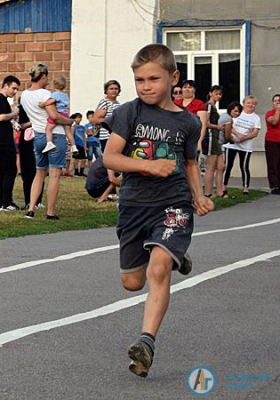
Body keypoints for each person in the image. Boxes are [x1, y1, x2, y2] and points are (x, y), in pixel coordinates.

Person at [103, 43, 214, 378]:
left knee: (158, 270)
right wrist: (149, 166)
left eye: (153, 78)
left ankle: (146, 342)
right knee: (132, 282)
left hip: (174, 204)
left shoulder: (189, 122)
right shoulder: (128, 112)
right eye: (139, 80)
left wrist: (198, 195)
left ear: (173, 77)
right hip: (135, 206)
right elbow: (110, 158)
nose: (146, 86)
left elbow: (191, 163)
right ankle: (173, 253)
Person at [20, 63, 74, 220]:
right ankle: (50, 212)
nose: (48, 80)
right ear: (43, 77)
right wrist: (68, 121)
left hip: (38, 135)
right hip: (55, 135)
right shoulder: (44, 94)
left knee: (39, 173)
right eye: (47, 77)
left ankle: (31, 209)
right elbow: (55, 116)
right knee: (55, 174)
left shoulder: (24, 95)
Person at [0, 75, 21, 211]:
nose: (15, 92)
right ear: (5, 86)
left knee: (0, 171)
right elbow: (1, 117)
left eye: (17, 89)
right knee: (9, 170)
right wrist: (15, 113)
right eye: (13, 88)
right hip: (2, 142)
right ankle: (6, 202)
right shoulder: (0, 99)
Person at [223, 96, 261, 194]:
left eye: (253, 103)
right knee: (227, 165)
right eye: (248, 103)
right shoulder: (237, 113)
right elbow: (229, 126)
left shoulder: (256, 118)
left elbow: (255, 132)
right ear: (244, 104)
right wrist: (238, 135)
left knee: (244, 166)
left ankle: (245, 187)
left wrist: (243, 138)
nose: (250, 105)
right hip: (232, 143)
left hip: (246, 146)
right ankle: (223, 185)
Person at [17, 101, 43, 209]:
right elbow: (22, 125)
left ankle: (39, 200)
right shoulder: (23, 109)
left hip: (39, 140)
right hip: (27, 143)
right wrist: (34, 121)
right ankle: (29, 200)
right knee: (28, 174)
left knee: (40, 171)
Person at [41, 75, 76, 155]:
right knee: (68, 131)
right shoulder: (65, 95)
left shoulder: (55, 94)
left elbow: (52, 101)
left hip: (58, 114)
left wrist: (43, 104)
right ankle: (74, 146)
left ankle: (49, 143)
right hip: (65, 114)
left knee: (48, 129)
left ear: (54, 85)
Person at [202, 86, 225, 197]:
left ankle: (220, 191)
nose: (218, 96)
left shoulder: (214, 107)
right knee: (211, 166)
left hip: (216, 137)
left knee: (221, 165)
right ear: (210, 93)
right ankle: (208, 192)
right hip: (210, 136)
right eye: (216, 93)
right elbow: (205, 123)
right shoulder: (208, 106)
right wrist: (218, 126)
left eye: (220, 94)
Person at [174, 79, 208, 152]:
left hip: (192, 139)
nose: (187, 89)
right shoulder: (175, 103)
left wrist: (199, 142)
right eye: (185, 87)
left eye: (190, 87)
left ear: (194, 90)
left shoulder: (199, 104)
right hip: (176, 138)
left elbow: (203, 124)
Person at [218, 102, 242, 197]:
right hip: (218, 144)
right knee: (221, 167)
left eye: (239, 111)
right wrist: (234, 140)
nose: (237, 113)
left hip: (216, 143)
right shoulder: (228, 119)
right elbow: (227, 136)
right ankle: (221, 189)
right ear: (230, 109)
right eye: (235, 111)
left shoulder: (223, 115)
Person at [92, 80, 122, 152]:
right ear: (106, 91)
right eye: (111, 89)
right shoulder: (104, 102)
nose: (114, 91)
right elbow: (96, 119)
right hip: (106, 136)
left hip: (117, 136)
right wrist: (113, 121)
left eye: (116, 89)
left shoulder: (119, 104)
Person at [264, 94, 280, 195]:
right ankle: (274, 186)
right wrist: (278, 110)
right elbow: (274, 122)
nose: (277, 102)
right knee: (273, 163)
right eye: (275, 101)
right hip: (272, 141)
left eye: (279, 101)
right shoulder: (269, 113)